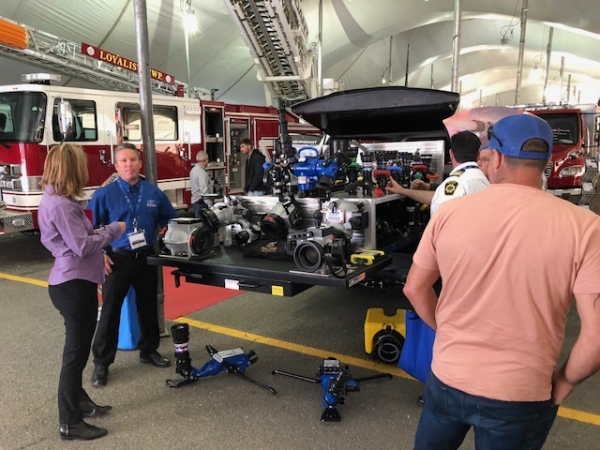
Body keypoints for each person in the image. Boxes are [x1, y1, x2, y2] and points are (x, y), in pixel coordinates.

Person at [403, 114, 600, 450]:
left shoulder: (450, 213)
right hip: (521, 393)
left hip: (449, 377)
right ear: (547, 161)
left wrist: (447, 332)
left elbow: (414, 288)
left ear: (494, 158)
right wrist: (566, 381)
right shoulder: (585, 227)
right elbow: (595, 336)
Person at [38, 143, 126, 440]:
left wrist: (96, 233)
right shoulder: (62, 206)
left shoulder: (54, 199)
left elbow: (76, 239)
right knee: (75, 356)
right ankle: (69, 422)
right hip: (73, 285)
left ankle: (79, 401)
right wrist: (112, 230)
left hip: (70, 282)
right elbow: (82, 246)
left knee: (77, 351)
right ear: (72, 169)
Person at [87, 143, 178, 388]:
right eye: (124, 161)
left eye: (133, 160)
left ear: (140, 163)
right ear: (116, 166)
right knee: (110, 311)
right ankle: (102, 363)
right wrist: (99, 254)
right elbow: (88, 229)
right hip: (117, 260)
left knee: (148, 306)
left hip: (146, 258)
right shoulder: (104, 194)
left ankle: (149, 350)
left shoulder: (153, 192)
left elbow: (170, 219)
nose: (129, 164)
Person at [386, 130, 488, 215]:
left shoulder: (457, 183)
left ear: (451, 153)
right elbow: (437, 197)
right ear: (478, 154)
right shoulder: (484, 180)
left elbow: (442, 217)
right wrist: (403, 190)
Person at [190, 150, 214, 218]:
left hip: (195, 201)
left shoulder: (193, 170)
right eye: (207, 160)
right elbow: (204, 191)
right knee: (204, 223)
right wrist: (210, 206)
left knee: (199, 221)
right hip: (201, 202)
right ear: (205, 160)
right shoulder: (202, 173)